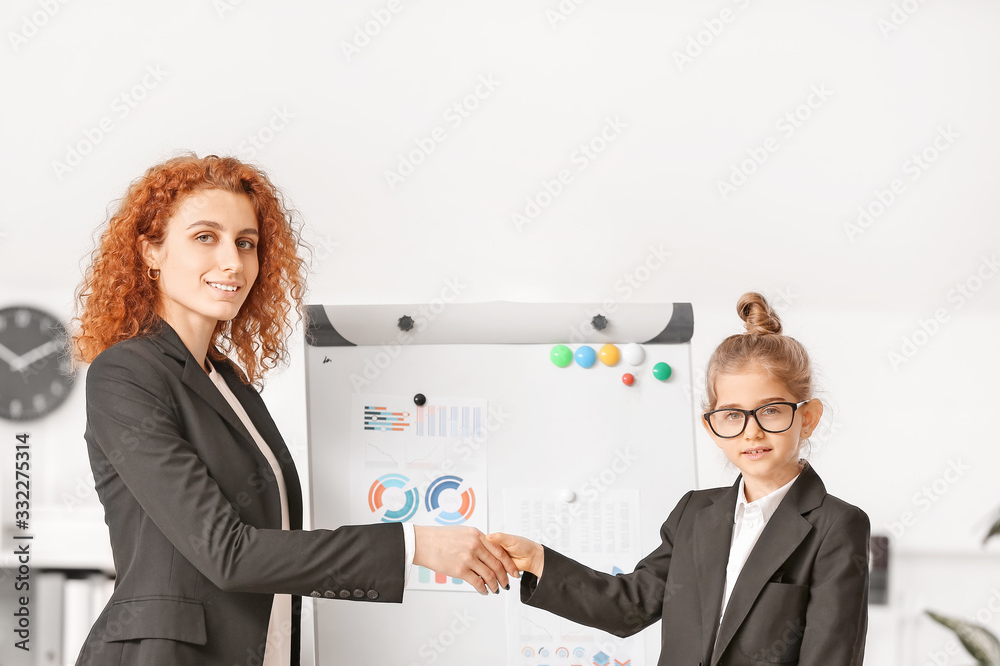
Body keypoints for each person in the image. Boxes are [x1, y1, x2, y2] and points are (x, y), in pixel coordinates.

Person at [71, 154, 517, 666]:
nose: (232, 262)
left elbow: (274, 541)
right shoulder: (127, 373)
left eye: (246, 243)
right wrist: (412, 545)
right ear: (151, 250)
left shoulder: (231, 383)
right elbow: (227, 552)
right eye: (205, 237)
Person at [488, 292, 870, 666]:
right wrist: (538, 560)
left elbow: (830, 656)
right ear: (712, 426)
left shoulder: (836, 525)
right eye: (733, 415)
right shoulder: (694, 512)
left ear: (808, 417)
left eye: (770, 410)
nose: (751, 432)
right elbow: (629, 607)